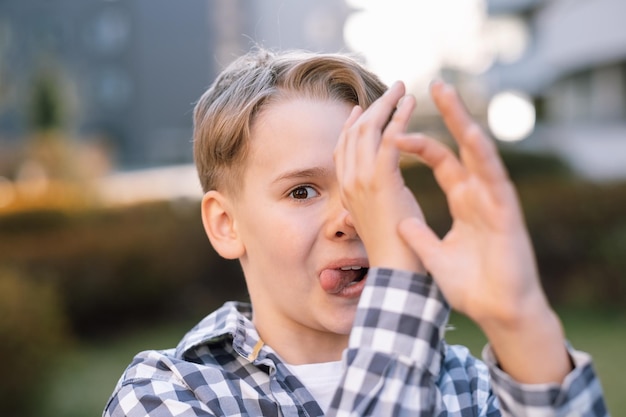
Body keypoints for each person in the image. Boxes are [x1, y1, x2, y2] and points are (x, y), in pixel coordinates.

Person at [103, 49, 608, 416]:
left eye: (368, 185)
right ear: (226, 224)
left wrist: (519, 317)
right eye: (302, 191)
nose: (353, 217)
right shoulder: (169, 394)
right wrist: (402, 285)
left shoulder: (469, 389)